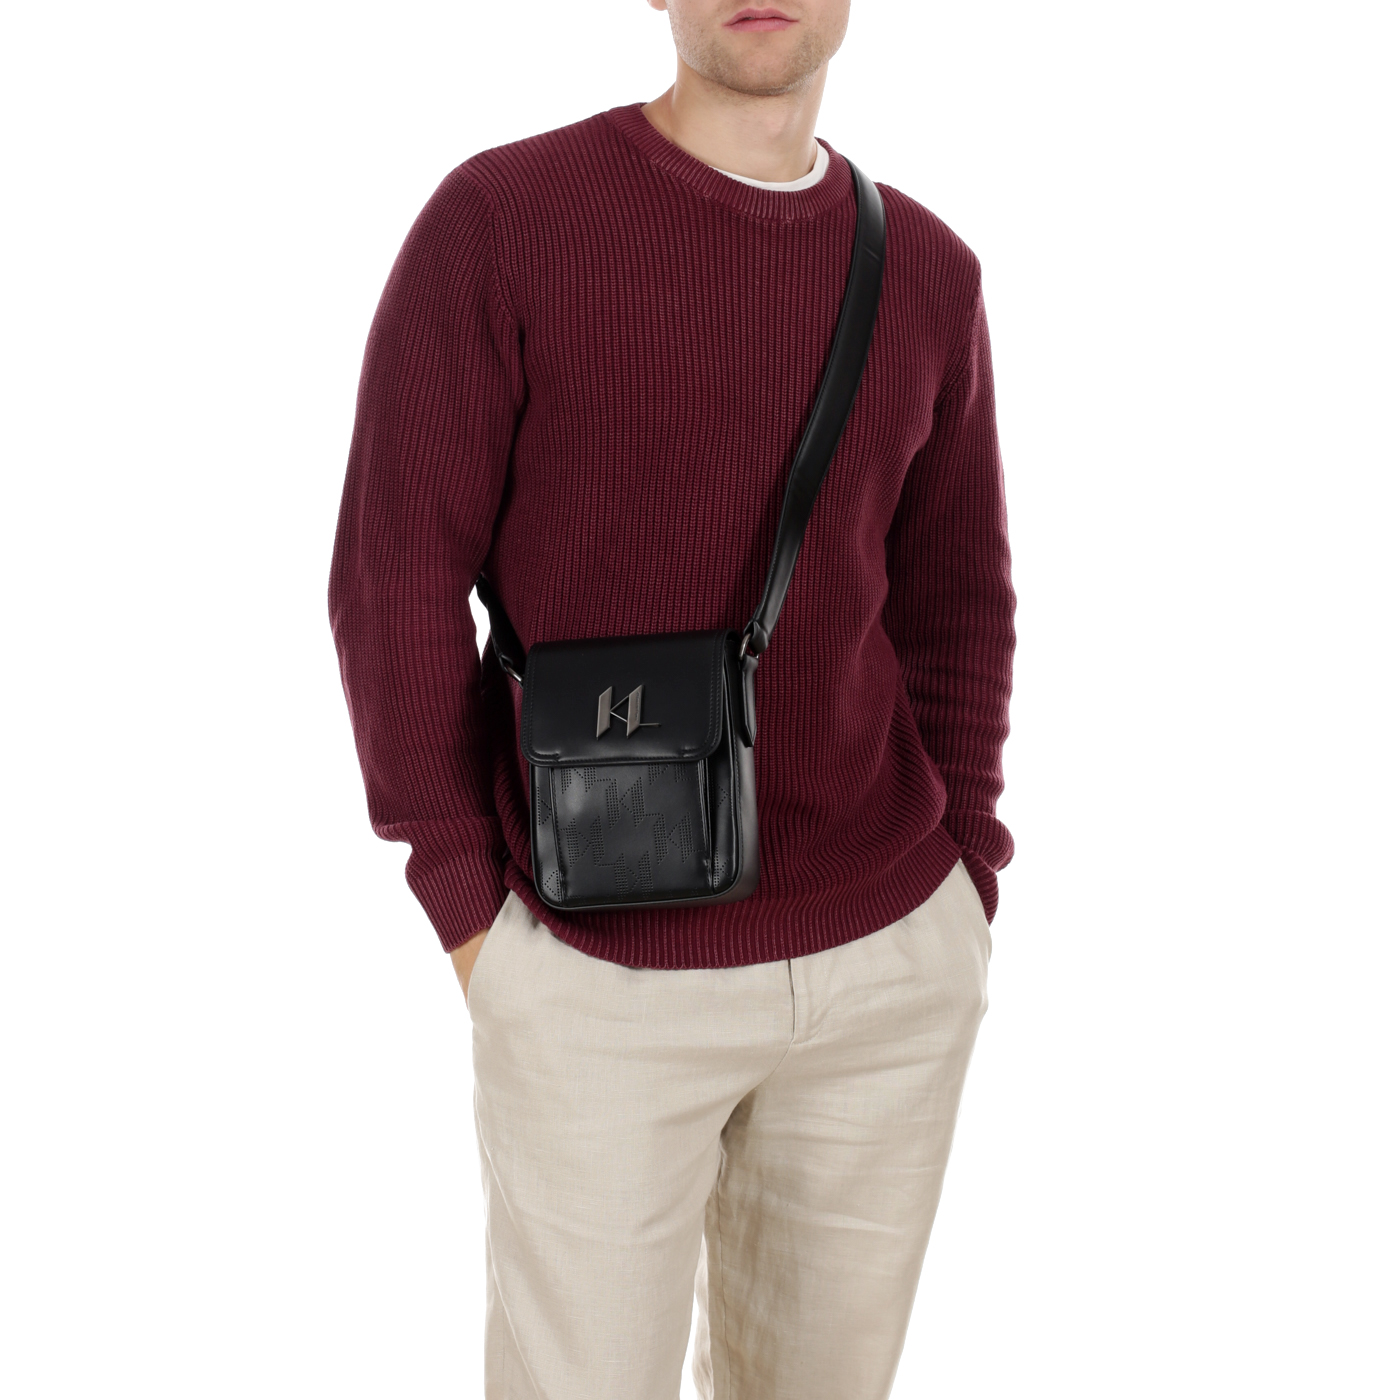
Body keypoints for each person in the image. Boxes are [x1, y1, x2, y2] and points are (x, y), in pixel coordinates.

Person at [328, 1, 1016, 1394]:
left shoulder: (928, 270)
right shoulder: (503, 223)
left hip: (883, 973)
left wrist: (966, 879)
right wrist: (471, 912)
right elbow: (393, 577)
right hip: (597, 969)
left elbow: (957, 602)